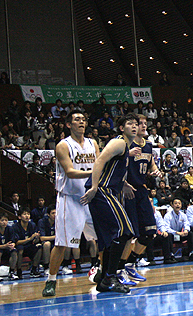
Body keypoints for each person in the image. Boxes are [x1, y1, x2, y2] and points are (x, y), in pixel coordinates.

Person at [42, 110, 99, 297]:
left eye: (83, 119)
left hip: (90, 196)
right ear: (68, 124)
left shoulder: (93, 143)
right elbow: (70, 171)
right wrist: (94, 173)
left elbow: (100, 164)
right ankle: (51, 280)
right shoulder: (63, 145)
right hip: (70, 198)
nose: (81, 122)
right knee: (62, 243)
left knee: (103, 239)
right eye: (77, 119)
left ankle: (103, 273)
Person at [81, 114, 139, 294]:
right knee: (124, 231)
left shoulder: (126, 148)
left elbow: (113, 168)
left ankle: (105, 277)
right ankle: (110, 276)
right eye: (129, 123)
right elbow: (99, 161)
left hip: (108, 191)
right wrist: (95, 186)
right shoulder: (119, 142)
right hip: (102, 191)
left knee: (111, 238)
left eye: (136, 123)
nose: (134, 126)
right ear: (121, 128)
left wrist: (124, 183)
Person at [118, 114, 160, 285]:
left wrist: (156, 170)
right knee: (129, 235)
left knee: (150, 233)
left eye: (143, 123)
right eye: (138, 123)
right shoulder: (124, 144)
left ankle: (130, 264)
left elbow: (151, 164)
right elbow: (114, 166)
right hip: (127, 191)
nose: (142, 126)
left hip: (142, 191)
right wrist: (123, 183)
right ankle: (118, 270)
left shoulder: (148, 146)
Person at [13, 207, 43, 279]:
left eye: (28, 214)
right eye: (24, 214)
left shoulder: (32, 225)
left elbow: (34, 241)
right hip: (20, 246)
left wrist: (36, 238)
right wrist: (30, 238)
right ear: (19, 217)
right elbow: (17, 242)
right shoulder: (15, 227)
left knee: (39, 248)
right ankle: (19, 271)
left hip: (29, 246)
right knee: (20, 250)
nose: (27, 216)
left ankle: (34, 269)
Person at [164, 197, 193, 261]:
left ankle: (191, 253)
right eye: (175, 203)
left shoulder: (183, 215)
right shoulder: (168, 215)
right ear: (172, 205)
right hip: (173, 236)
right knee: (168, 235)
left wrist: (186, 230)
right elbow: (166, 228)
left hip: (180, 236)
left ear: (181, 205)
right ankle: (171, 255)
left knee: (190, 234)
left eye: (179, 203)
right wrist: (176, 233)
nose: (177, 205)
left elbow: (187, 224)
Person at [0, 212, 18, 281]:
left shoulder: (10, 229)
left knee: (14, 252)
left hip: (7, 249)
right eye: (2, 220)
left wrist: (12, 245)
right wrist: (4, 246)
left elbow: (13, 240)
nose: (4, 222)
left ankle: (12, 272)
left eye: (6, 220)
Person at [38, 204, 56, 275]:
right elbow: (42, 238)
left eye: (56, 213)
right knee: (47, 244)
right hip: (44, 243)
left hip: (55, 242)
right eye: (53, 213)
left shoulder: (59, 221)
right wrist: (55, 237)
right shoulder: (42, 221)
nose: (55, 215)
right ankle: (46, 267)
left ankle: (64, 266)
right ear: (48, 214)